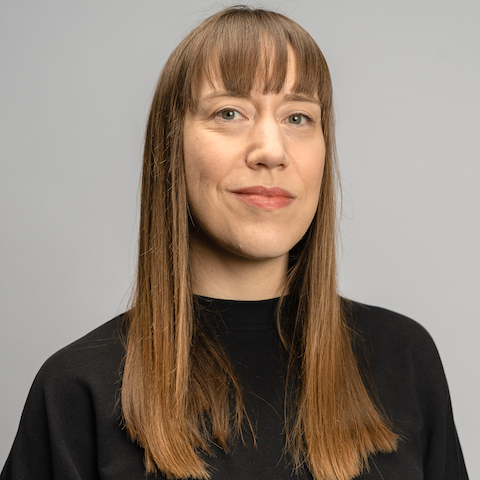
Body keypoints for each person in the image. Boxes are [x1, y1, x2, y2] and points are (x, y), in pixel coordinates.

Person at [0, 6, 469, 480]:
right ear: (171, 147)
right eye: (229, 112)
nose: (271, 150)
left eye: (299, 117)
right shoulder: (79, 388)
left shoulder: (404, 358)